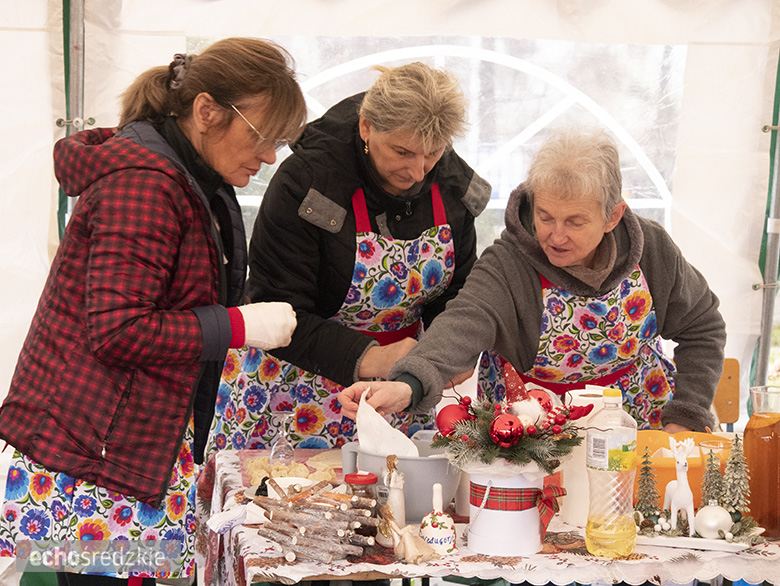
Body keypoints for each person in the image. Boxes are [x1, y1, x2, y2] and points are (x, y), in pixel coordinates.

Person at [0, 37, 306, 585]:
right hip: (94, 449)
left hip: (125, 438)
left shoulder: (191, 177)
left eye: (279, 142)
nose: (268, 158)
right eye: (262, 137)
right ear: (207, 110)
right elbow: (118, 329)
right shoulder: (145, 184)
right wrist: (239, 325)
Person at [339, 128, 727, 434]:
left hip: (640, 430)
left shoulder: (652, 249)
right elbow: (460, 326)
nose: (556, 236)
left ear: (612, 217)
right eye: (545, 216)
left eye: (574, 222)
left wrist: (687, 416)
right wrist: (407, 385)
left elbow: (703, 328)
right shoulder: (509, 263)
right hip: (529, 436)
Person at [205, 62, 491, 456]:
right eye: (402, 151)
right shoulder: (308, 183)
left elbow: (457, 292)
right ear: (366, 127)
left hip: (393, 393)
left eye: (432, 154)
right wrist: (372, 356)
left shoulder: (450, 184)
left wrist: (448, 350)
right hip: (291, 395)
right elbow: (279, 307)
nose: (417, 170)